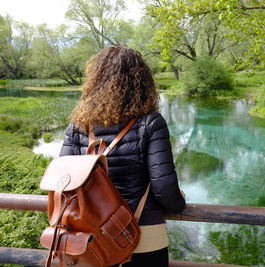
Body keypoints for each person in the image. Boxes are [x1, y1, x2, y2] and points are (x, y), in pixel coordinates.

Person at [59, 45, 186, 267]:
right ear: (142, 83)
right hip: (142, 232)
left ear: (95, 82)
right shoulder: (151, 122)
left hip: (88, 236)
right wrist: (180, 205)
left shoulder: (78, 125)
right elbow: (164, 186)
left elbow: (63, 182)